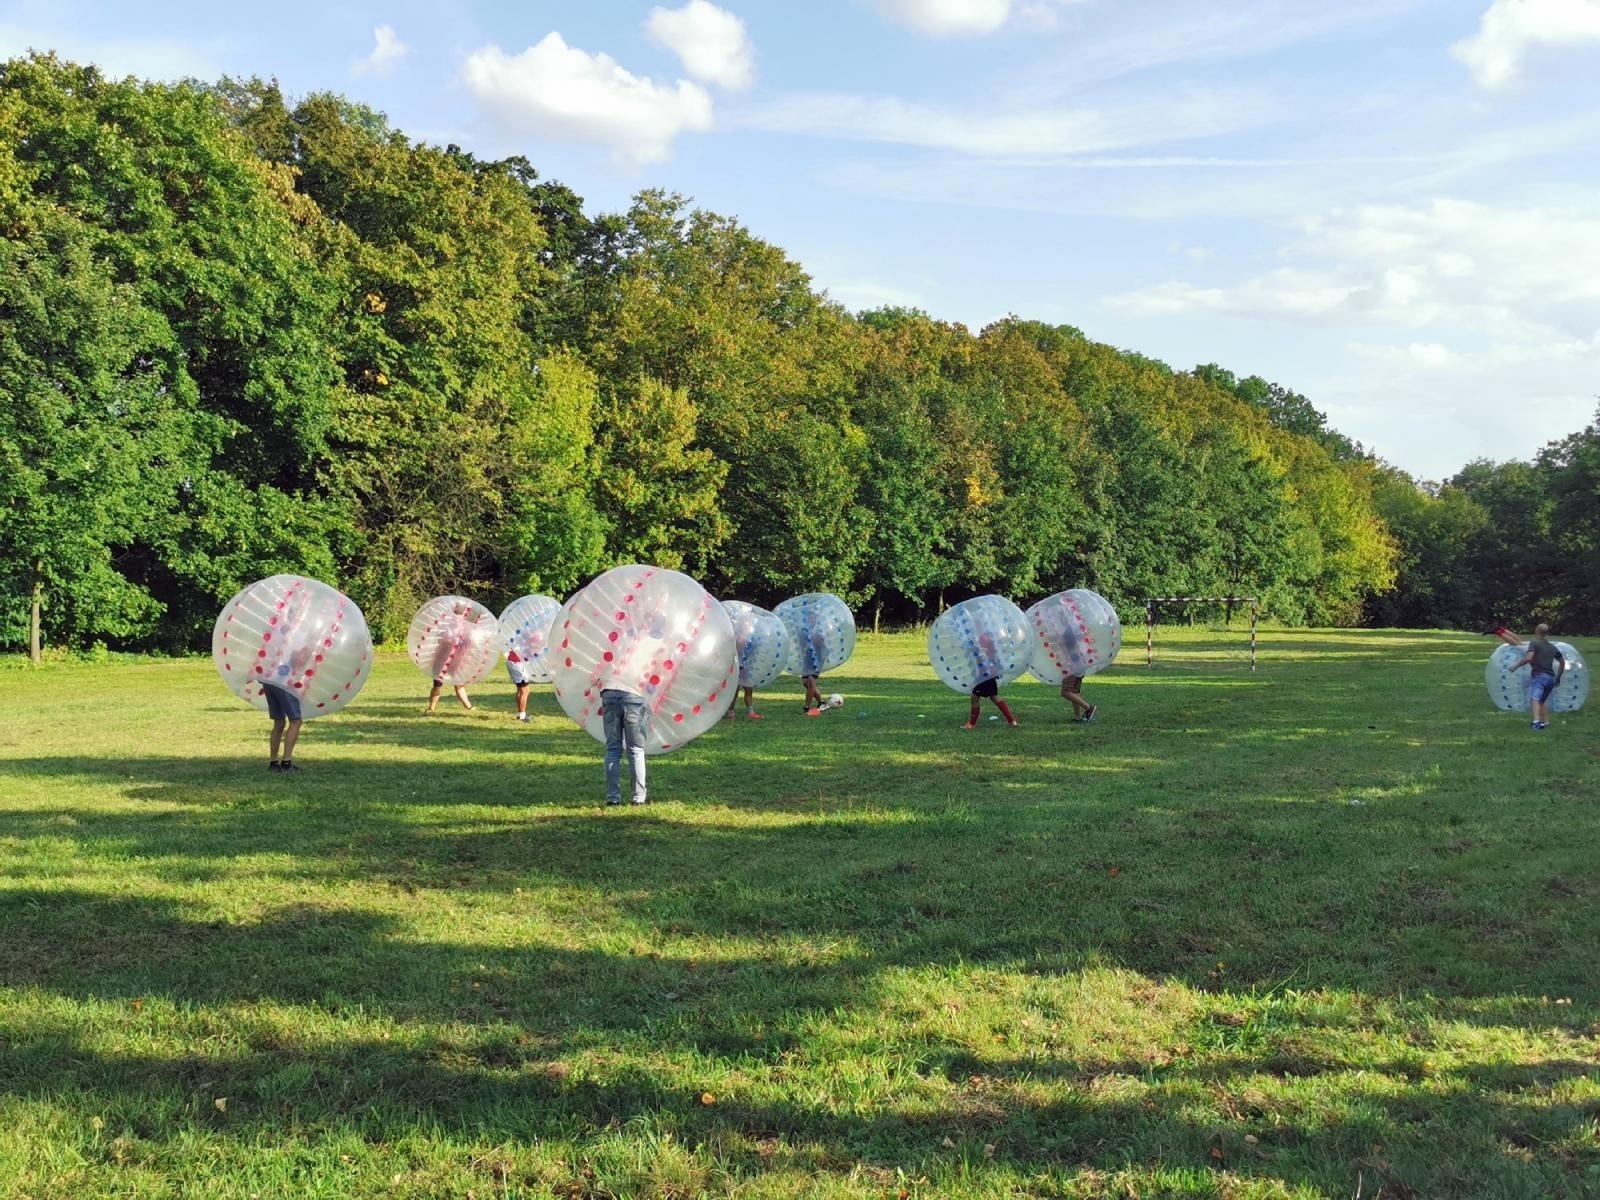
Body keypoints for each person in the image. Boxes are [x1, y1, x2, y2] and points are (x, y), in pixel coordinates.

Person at [1504, 623, 1566, 730]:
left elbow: (1529, 657)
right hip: (1550, 679)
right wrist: (1558, 678)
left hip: (1540, 677)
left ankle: (1536, 723)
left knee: (1535, 699)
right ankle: (1546, 722)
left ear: (1536, 630)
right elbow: (1562, 663)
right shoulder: (1552, 647)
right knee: (1541, 701)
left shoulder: (1534, 642)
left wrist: (1515, 666)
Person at [601, 687, 649, 805]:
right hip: (634, 694)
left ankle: (613, 798)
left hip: (610, 694)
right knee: (636, 750)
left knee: (612, 750)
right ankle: (638, 798)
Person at [506, 649, 533, 722]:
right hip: (517, 663)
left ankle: (520, 714)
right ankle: (522, 716)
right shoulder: (529, 638)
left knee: (520, 689)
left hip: (513, 661)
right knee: (524, 690)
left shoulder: (521, 637)